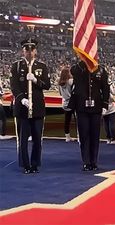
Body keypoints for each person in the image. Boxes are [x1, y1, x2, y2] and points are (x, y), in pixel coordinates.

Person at [10, 38, 51, 174]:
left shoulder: (41, 66)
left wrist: (35, 79)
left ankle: (35, 164)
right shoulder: (16, 66)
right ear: (23, 51)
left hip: (37, 108)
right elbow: (14, 86)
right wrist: (22, 99)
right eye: (26, 50)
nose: (29, 52)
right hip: (22, 109)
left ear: (35, 51)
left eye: (31, 50)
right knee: (22, 140)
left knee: (37, 139)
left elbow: (47, 85)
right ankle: (25, 165)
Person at [68, 61, 110, 171]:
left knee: (95, 136)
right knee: (84, 135)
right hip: (81, 107)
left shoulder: (100, 70)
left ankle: (94, 161)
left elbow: (105, 88)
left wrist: (105, 104)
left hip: (96, 107)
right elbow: (73, 71)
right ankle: (86, 161)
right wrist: (84, 63)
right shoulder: (78, 68)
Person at [58, 67, 76, 142]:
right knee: (77, 120)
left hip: (64, 102)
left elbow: (60, 93)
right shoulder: (70, 81)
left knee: (67, 120)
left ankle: (67, 137)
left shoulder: (59, 83)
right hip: (72, 102)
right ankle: (80, 135)